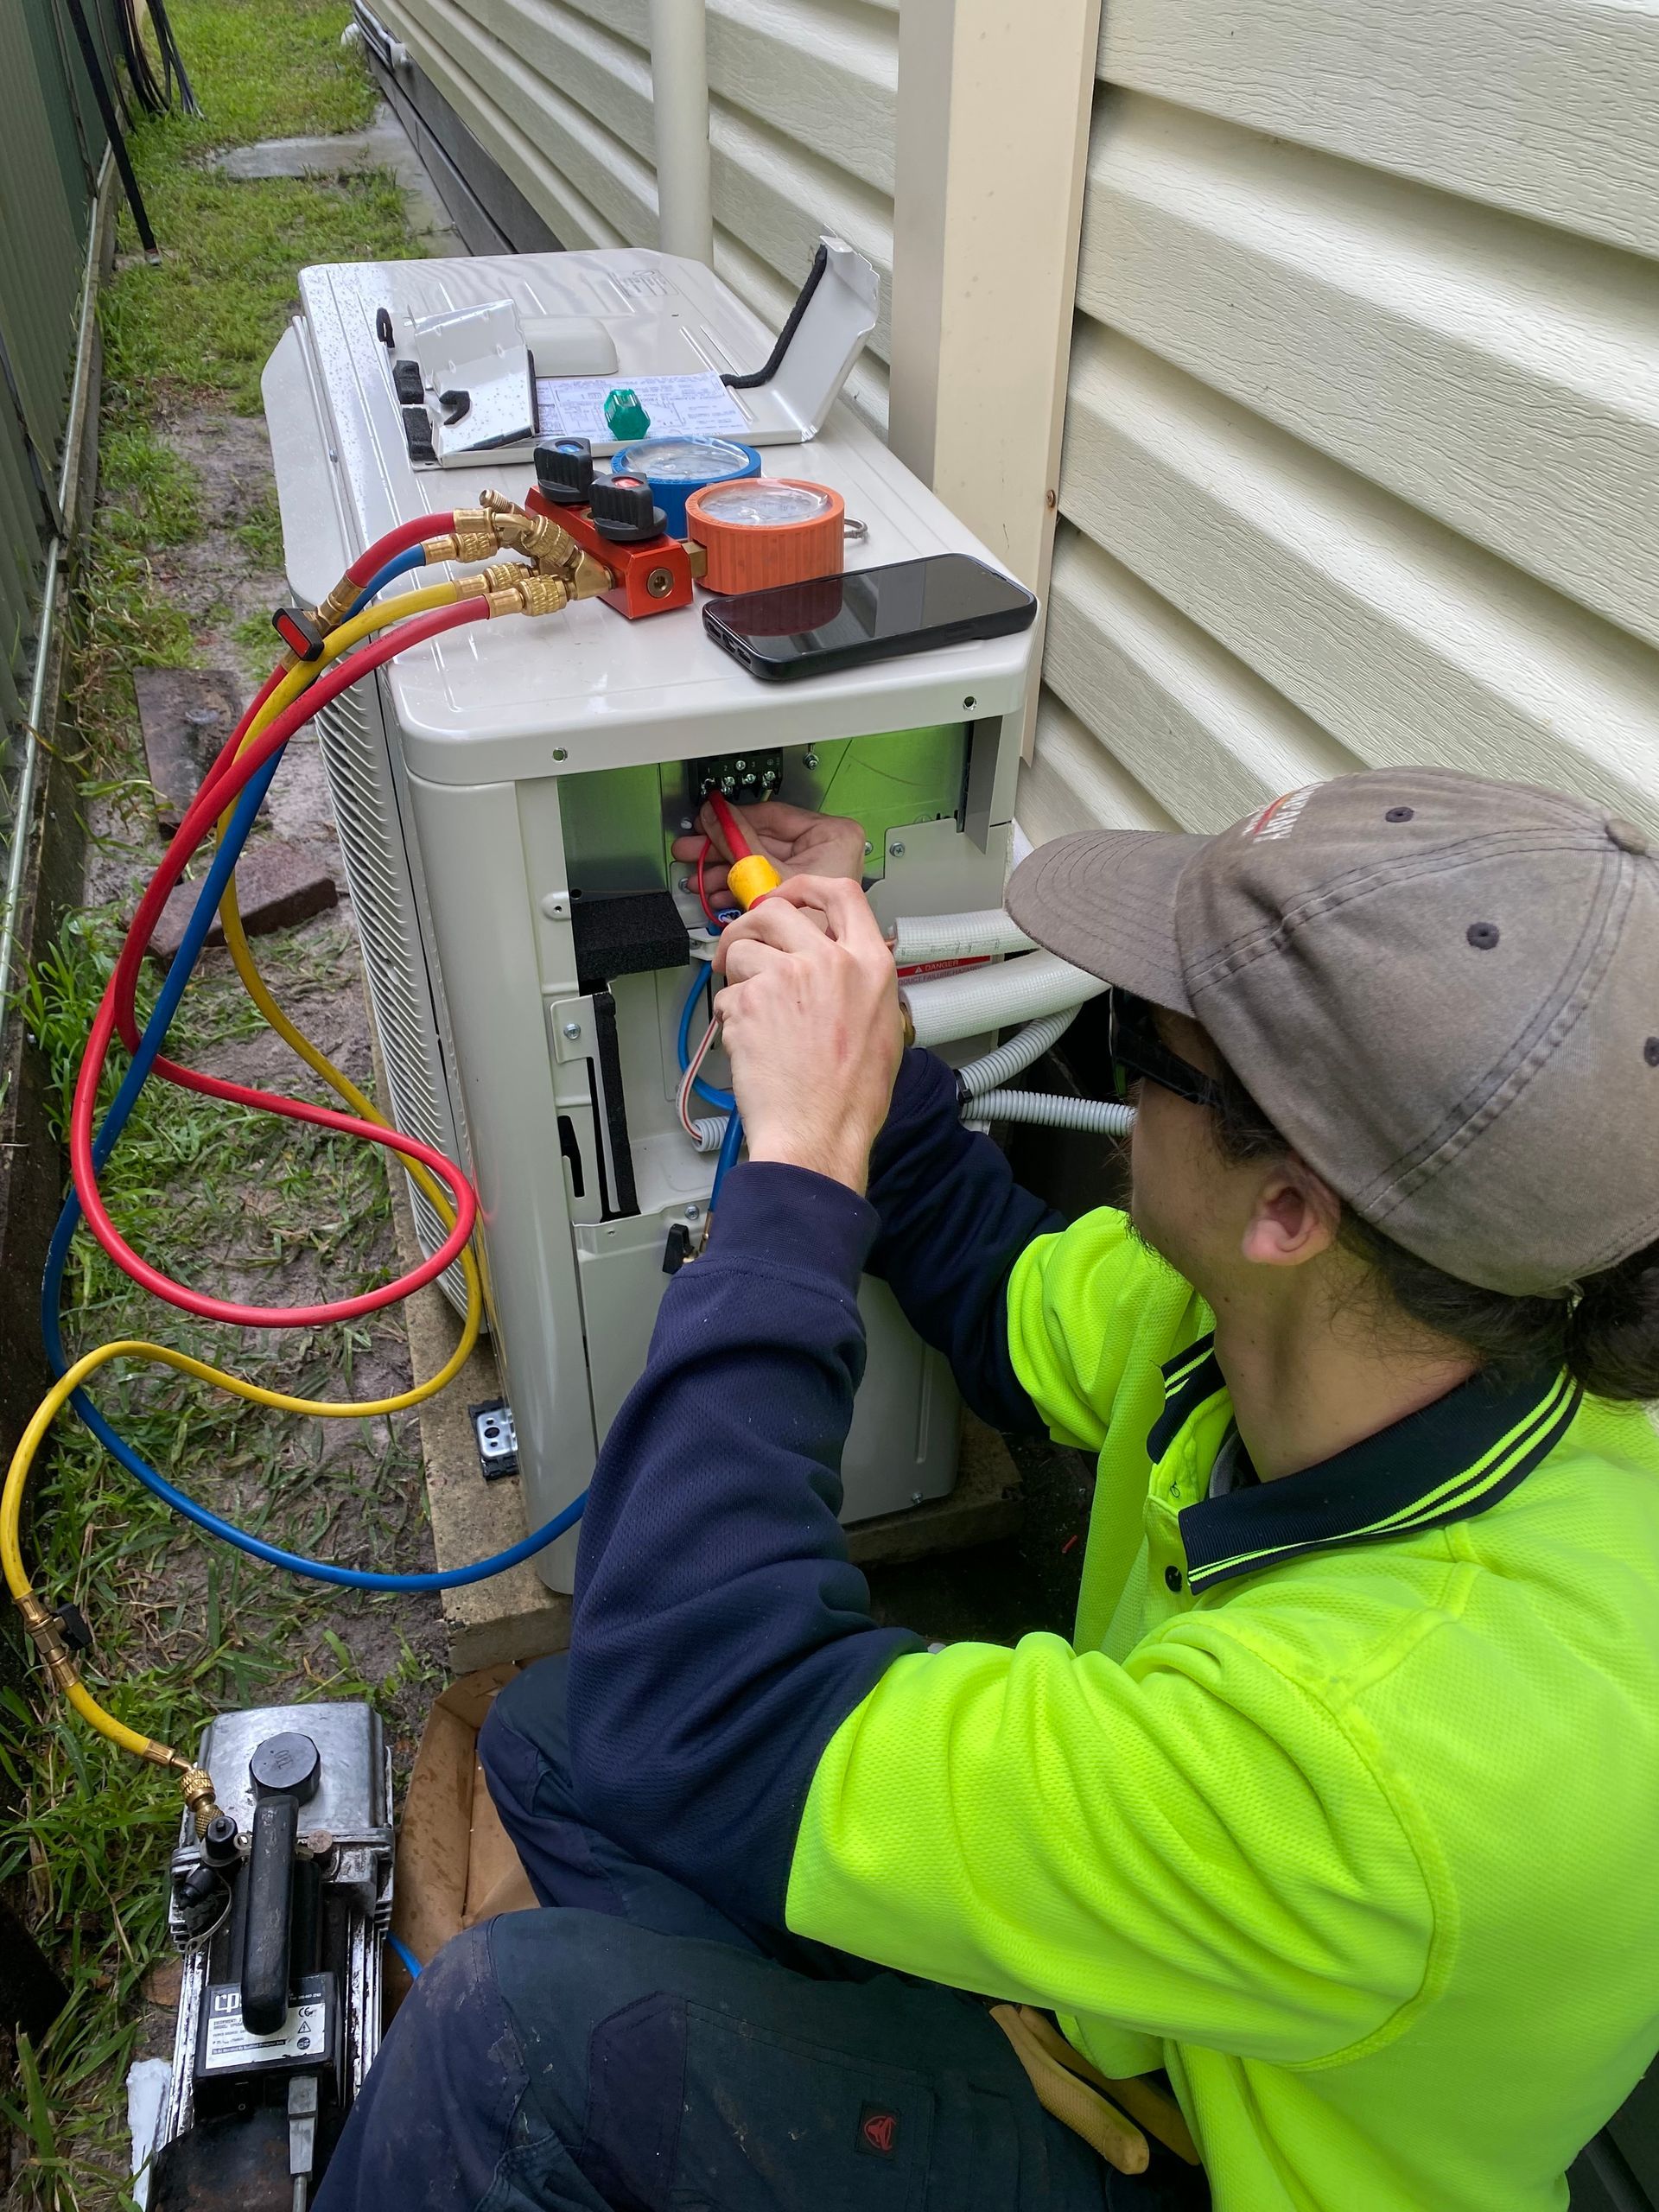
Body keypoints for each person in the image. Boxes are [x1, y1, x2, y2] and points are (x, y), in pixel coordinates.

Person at [319, 767, 1659, 2212]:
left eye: (1143, 1044)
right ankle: (890, 2052)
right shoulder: (1325, 1323)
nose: (1118, 1063)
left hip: (1222, 2164)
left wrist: (795, 1177)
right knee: (553, 1741)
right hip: (1171, 2003)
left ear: (1291, 1207)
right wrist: (862, 1031)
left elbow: (703, 1709)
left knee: (508, 2047)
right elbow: (990, 1276)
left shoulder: (1406, 1754)